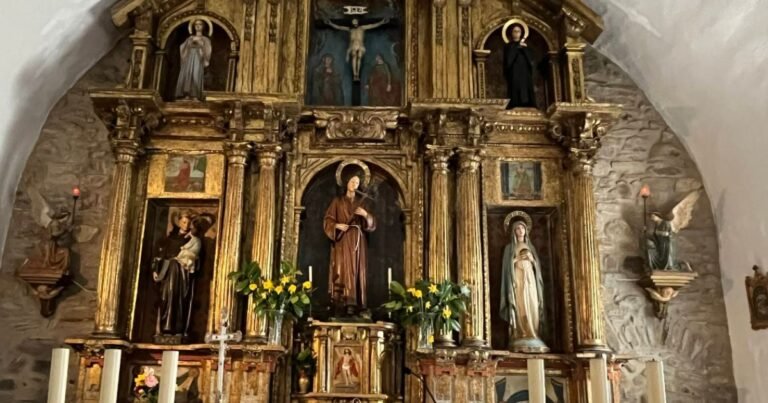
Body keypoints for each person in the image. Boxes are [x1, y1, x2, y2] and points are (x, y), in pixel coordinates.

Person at [323, 169, 376, 314]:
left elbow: (372, 224)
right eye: (352, 181)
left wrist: (365, 215)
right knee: (342, 269)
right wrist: (337, 225)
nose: (355, 184)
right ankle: (342, 302)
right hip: (343, 240)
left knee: (357, 270)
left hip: (358, 240)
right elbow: (328, 220)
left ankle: (357, 302)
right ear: (346, 182)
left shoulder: (362, 203)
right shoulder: (337, 201)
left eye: (357, 182)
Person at [500, 218, 548, 351]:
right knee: (521, 304)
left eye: (522, 228)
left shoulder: (531, 247)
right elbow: (506, 268)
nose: (520, 231)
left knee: (532, 303)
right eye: (517, 228)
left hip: (530, 280)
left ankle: (533, 333)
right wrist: (516, 260)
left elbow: (537, 268)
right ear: (514, 231)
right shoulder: (509, 248)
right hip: (517, 279)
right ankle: (520, 333)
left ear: (526, 231)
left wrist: (532, 260)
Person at [152, 211, 201, 337]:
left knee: (179, 300)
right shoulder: (169, 239)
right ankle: (164, 329)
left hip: (182, 275)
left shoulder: (192, 241)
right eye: (184, 222)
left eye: (188, 223)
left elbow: (195, 258)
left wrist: (183, 261)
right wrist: (155, 270)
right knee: (165, 298)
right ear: (179, 222)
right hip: (167, 273)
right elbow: (159, 256)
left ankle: (178, 329)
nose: (186, 225)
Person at [324, 17, 389, 81]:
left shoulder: (362, 28)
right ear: (352, 23)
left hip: (360, 45)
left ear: (358, 22)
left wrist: (381, 22)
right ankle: (355, 74)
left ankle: (357, 73)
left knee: (359, 58)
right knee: (354, 57)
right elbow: (339, 27)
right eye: (353, 22)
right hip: (353, 46)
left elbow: (372, 25)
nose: (355, 23)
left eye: (356, 21)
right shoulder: (350, 29)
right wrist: (330, 23)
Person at [175, 19, 212, 101]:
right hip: (189, 58)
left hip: (198, 58)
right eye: (196, 25)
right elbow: (182, 48)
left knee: (196, 74)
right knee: (187, 75)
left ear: (203, 27)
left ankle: (195, 95)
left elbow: (208, 50)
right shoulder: (190, 38)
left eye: (200, 24)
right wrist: (189, 44)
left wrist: (200, 45)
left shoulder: (205, 39)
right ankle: (186, 95)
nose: (198, 26)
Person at [503, 23, 536, 109]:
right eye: (515, 31)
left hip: (524, 74)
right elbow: (508, 60)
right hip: (514, 73)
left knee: (525, 90)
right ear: (511, 33)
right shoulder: (508, 46)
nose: (516, 33)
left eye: (518, 31)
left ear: (521, 33)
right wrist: (517, 47)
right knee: (514, 90)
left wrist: (524, 49)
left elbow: (531, 61)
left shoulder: (526, 46)